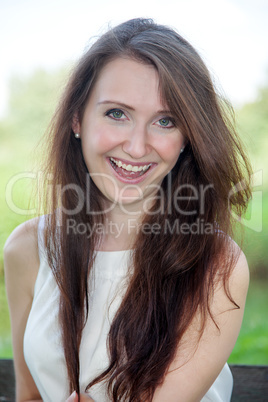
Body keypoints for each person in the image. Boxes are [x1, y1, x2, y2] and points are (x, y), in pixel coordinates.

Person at [4, 18, 252, 402]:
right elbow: (30, 396)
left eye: (165, 121)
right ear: (77, 119)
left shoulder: (216, 264)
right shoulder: (28, 249)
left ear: (187, 138)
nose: (137, 147)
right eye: (117, 113)